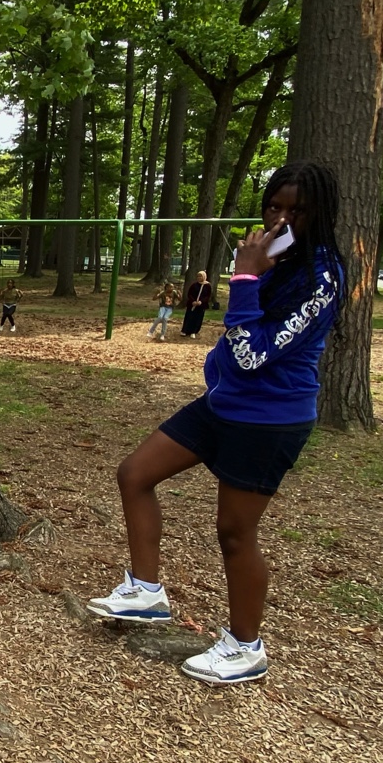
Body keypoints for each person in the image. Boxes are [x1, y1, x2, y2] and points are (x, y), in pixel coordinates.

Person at [87, 162, 346, 685]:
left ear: (319, 214)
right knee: (134, 473)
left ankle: (245, 647)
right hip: (222, 404)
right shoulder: (277, 258)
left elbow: (254, 353)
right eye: (274, 207)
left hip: (271, 418)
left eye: (296, 210)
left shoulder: (323, 275)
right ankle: (146, 591)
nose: (280, 220)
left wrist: (247, 278)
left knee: (234, 531)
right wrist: (254, 274)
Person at [180, 271, 213, 338]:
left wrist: (201, 301)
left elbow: (208, 296)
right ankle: (185, 330)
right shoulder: (194, 285)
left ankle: (194, 331)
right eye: (198, 276)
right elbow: (189, 294)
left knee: (198, 318)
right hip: (192, 304)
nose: (199, 278)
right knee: (189, 317)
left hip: (201, 305)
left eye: (200, 276)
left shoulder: (207, 286)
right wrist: (193, 301)